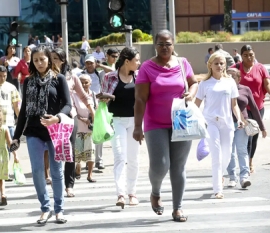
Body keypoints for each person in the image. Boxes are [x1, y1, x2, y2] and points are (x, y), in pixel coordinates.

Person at [134, 30, 198, 222]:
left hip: (180, 120)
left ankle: (177, 208)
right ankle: (155, 192)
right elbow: (140, 99)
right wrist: (138, 126)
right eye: (161, 43)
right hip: (155, 123)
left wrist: (192, 93)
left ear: (173, 44)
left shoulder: (182, 63)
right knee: (161, 165)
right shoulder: (147, 67)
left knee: (178, 166)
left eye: (168, 43)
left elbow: (193, 83)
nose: (164, 47)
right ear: (155, 45)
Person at [12, 45, 71, 224]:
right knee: (38, 171)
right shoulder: (28, 81)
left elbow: (68, 105)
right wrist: (16, 136)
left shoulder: (59, 79)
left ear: (49, 59)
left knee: (56, 172)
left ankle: (59, 209)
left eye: (42, 59)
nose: (39, 63)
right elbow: (23, 111)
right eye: (35, 60)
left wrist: (57, 118)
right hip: (34, 131)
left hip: (55, 130)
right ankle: (45, 208)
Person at [195, 53, 243, 199]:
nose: (220, 66)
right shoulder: (204, 84)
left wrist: (239, 119)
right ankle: (218, 189)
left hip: (227, 122)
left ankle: (220, 176)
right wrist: (198, 121)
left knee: (227, 155)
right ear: (210, 65)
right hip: (211, 122)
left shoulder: (230, 83)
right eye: (216, 63)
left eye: (222, 63)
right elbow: (196, 105)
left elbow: (234, 105)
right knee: (216, 155)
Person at [51, 48, 95, 197]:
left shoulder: (72, 77)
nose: (53, 61)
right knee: (54, 150)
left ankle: (69, 185)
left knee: (70, 150)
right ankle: (55, 180)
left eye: (56, 58)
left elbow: (83, 96)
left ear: (63, 61)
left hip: (70, 116)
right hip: (52, 118)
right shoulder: (46, 76)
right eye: (51, 58)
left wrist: (91, 110)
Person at [101, 47, 141, 209]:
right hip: (116, 121)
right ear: (127, 61)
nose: (139, 63)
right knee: (120, 157)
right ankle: (121, 194)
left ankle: (132, 193)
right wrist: (104, 98)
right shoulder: (110, 77)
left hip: (135, 122)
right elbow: (103, 99)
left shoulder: (139, 77)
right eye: (136, 60)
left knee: (133, 159)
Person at [230, 45, 270, 173]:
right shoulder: (235, 68)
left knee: (254, 135)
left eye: (251, 54)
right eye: (245, 55)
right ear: (241, 56)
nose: (249, 57)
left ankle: (250, 160)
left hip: (257, 107)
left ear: (254, 54)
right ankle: (243, 163)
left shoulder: (260, 68)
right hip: (241, 109)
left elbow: (267, 84)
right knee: (244, 137)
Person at [226, 68, 266, 189]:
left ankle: (244, 177)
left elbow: (254, 108)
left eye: (233, 77)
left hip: (241, 124)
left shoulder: (245, 89)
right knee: (230, 152)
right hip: (226, 125)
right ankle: (232, 177)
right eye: (228, 76)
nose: (231, 79)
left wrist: (262, 127)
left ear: (239, 78)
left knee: (242, 150)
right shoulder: (223, 90)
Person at [80, 54, 105, 170]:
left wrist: (98, 65)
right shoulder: (80, 75)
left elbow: (112, 70)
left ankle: (99, 160)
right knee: (87, 135)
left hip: (98, 106)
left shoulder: (99, 74)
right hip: (84, 107)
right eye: (87, 63)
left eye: (91, 63)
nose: (89, 65)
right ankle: (88, 160)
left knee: (98, 135)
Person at [74, 74, 97, 183]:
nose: (83, 84)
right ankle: (78, 168)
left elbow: (96, 110)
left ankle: (90, 175)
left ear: (90, 83)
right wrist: (82, 119)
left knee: (91, 152)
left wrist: (91, 120)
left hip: (90, 129)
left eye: (86, 82)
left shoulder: (93, 95)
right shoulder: (74, 95)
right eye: (81, 82)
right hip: (78, 128)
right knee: (78, 152)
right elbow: (72, 110)